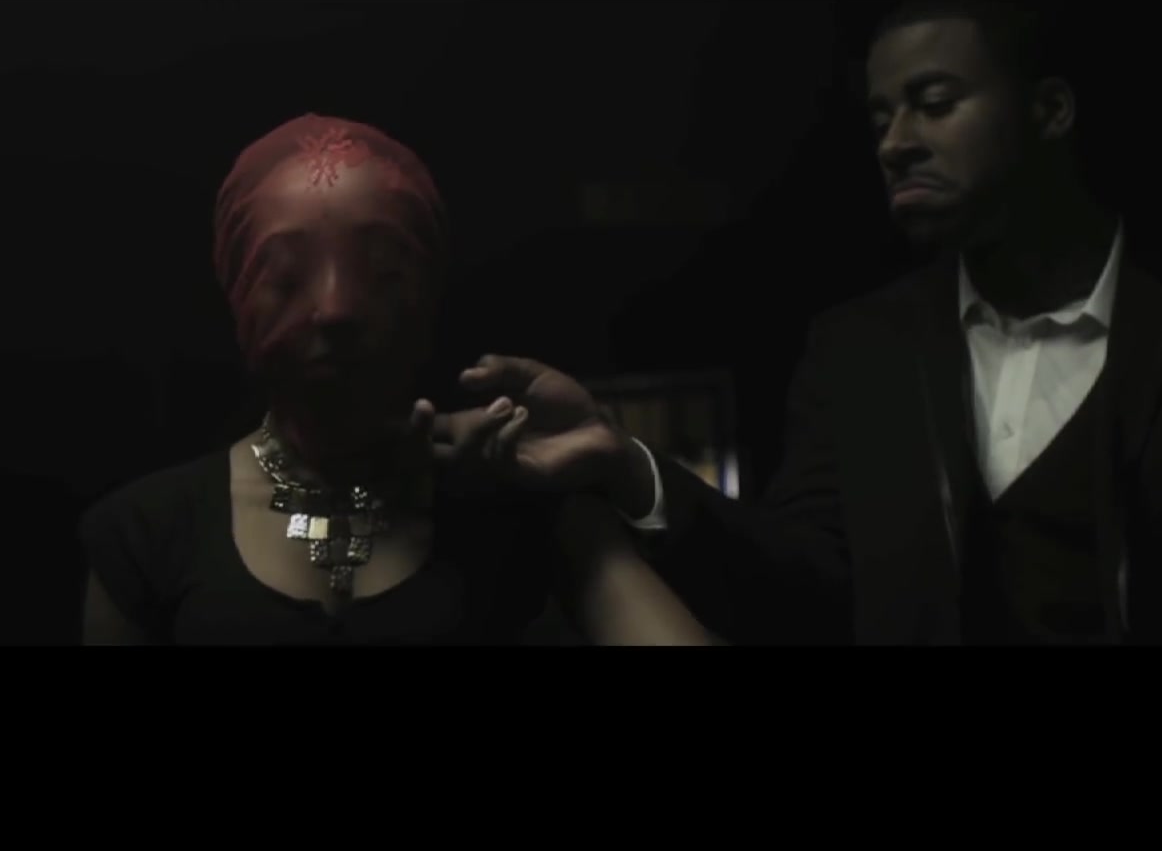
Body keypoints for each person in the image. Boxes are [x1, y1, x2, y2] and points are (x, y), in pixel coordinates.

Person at [434, 0, 1162, 645]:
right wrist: (626, 464)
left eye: (934, 102)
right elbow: (798, 583)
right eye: (881, 117)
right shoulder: (862, 350)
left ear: (1051, 111)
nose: (895, 142)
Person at [78, 114, 712, 645]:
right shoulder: (146, 532)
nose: (334, 309)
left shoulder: (526, 505)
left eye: (380, 272)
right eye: (287, 276)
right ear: (237, 293)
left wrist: (604, 472)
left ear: (429, 294)